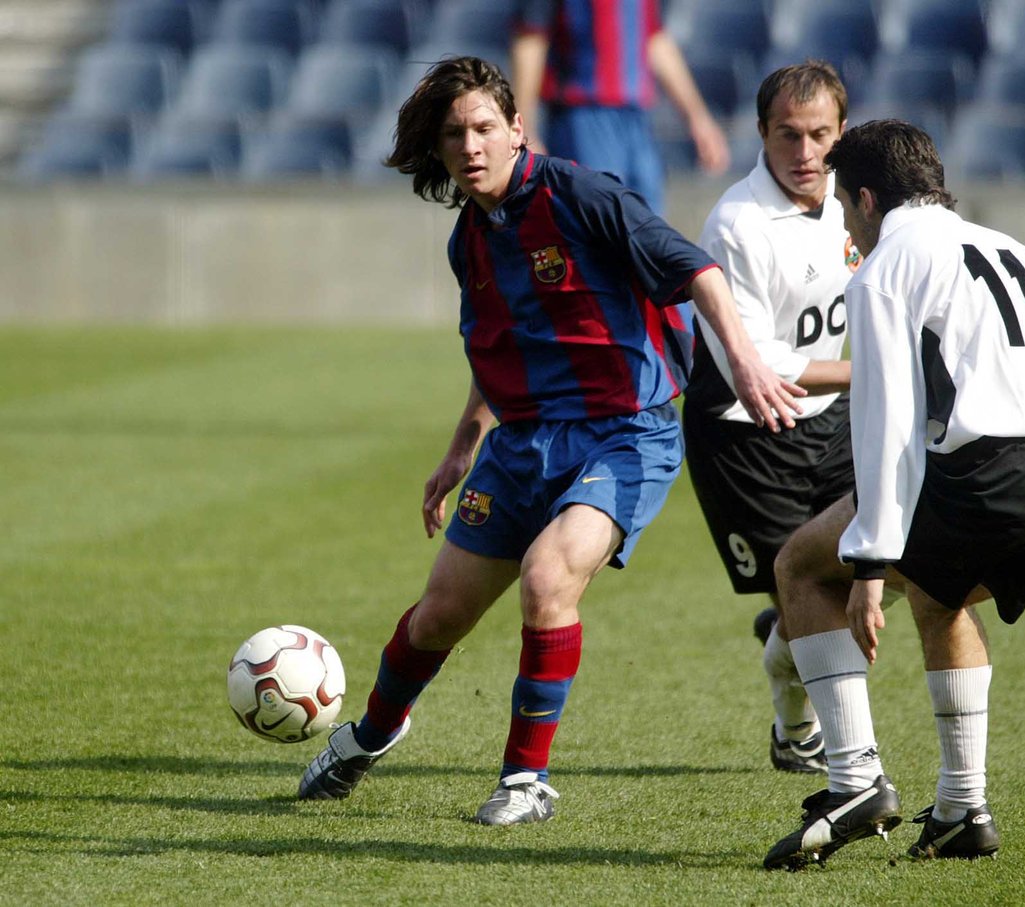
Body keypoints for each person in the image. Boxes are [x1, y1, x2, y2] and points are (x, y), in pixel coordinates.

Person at [297, 55, 803, 826]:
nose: (469, 146)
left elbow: (698, 271)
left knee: (547, 578)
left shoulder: (580, 195)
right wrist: (463, 444)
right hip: (522, 443)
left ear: (515, 130)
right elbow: (498, 347)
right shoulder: (468, 240)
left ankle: (525, 783)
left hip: (625, 434)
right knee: (437, 616)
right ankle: (370, 733)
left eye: (482, 128)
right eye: (453, 135)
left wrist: (744, 363)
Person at [761, 119, 1025, 869]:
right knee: (943, 598)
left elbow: (890, 423)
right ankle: (961, 808)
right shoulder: (1019, 252)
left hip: (991, 475)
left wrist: (870, 563)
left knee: (804, 566)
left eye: (845, 209)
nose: (846, 225)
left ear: (867, 199)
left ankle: (853, 782)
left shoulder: (885, 268)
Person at [682, 61, 859, 776]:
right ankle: (798, 732)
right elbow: (763, 366)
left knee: (859, 573)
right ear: (761, 133)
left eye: (820, 134)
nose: (806, 152)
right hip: (746, 434)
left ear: (842, 132)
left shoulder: (859, 201)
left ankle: (785, 644)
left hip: (835, 418)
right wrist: (879, 372)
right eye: (789, 134)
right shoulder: (737, 225)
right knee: (813, 594)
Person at [510, 0, 730, 214]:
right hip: (583, 115)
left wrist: (698, 119)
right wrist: (525, 128)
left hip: (637, 118)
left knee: (648, 225)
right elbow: (531, 38)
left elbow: (654, 38)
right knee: (598, 224)